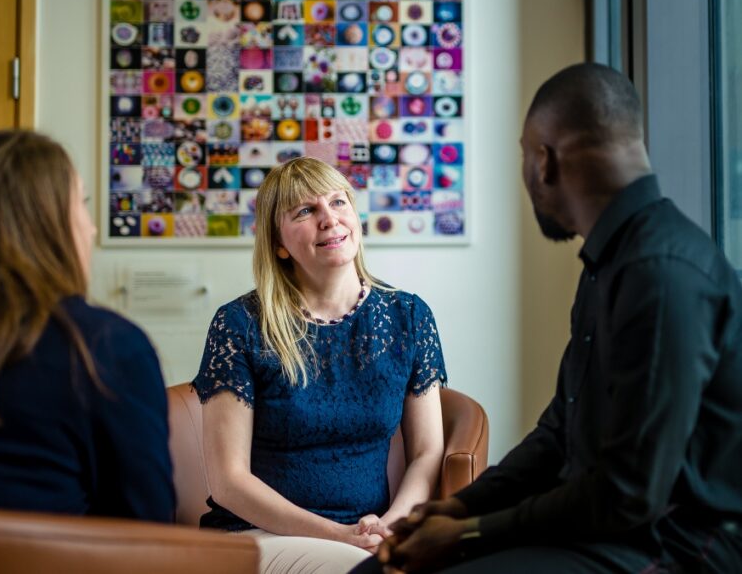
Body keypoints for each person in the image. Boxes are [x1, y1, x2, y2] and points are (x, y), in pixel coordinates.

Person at [352, 62, 742, 573]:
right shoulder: (612, 261)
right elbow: (561, 430)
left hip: (676, 545)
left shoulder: (659, 273)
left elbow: (629, 494)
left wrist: (469, 532)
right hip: (611, 530)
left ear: (544, 161)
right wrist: (461, 506)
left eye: (522, 155)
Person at [0, 130, 175, 522]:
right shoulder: (109, 347)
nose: (92, 230)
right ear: (49, 223)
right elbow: (148, 534)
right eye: (84, 205)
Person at [192, 156, 447, 572]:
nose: (330, 219)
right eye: (306, 211)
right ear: (278, 243)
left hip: (369, 532)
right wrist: (338, 536)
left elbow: (427, 450)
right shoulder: (239, 324)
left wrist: (390, 528)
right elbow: (228, 482)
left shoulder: (410, 317)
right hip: (258, 534)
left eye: (338, 202)